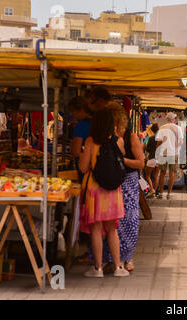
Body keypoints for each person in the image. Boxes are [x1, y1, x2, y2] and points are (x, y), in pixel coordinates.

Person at [79, 108, 129, 278]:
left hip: (94, 190)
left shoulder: (91, 141)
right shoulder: (119, 141)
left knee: (96, 229)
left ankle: (98, 268)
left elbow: (83, 168)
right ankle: (117, 268)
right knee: (112, 230)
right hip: (113, 192)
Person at [101, 102, 145, 272]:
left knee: (129, 221)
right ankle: (111, 258)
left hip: (127, 182)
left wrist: (120, 160)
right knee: (110, 222)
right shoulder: (103, 137)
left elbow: (140, 163)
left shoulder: (130, 137)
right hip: (108, 182)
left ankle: (127, 257)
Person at [156, 112, 184, 200]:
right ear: (173, 119)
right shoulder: (178, 128)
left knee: (162, 173)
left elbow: (159, 142)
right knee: (172, 173)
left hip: (163, 153)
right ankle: (169, 194)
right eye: (175, 118)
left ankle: (160, 193)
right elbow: (181, 142)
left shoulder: (162, 127)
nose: (175, 120)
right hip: (174, 153)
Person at [69, 96, 93, 183]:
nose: (72, 114)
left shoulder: (81, 125)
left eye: (73, 111)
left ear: (81, 110)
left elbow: (76, 152)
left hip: (85, 167)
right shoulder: (96, 121)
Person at [145, 124, 160, 198]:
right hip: (159, 159)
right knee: (156, 176)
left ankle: (152, 190)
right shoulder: (161, 138)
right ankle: (154, 191)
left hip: (152, 158)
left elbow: (147, 150)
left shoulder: (151, 138)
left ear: (152, 130)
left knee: (147, 175)